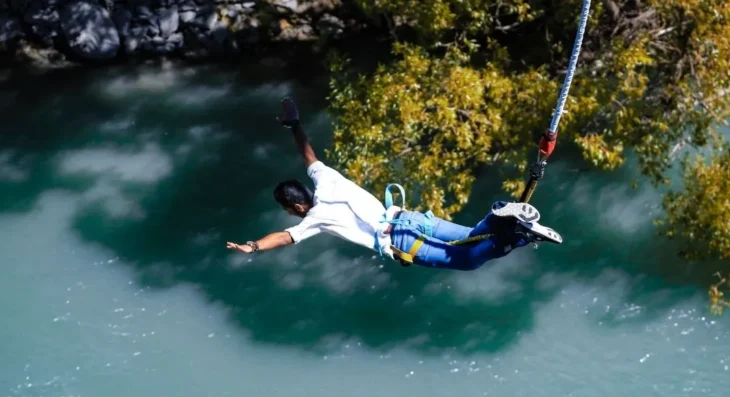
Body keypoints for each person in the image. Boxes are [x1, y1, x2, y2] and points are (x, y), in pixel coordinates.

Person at [225, 97, 562, 271]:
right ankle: (507, 219)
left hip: (401, 240)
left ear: (297, 207)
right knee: (469, 236)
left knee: (468, 259)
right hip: (407, 218)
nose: (290, 216)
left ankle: (513, 227)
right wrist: (294, 122)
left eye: (288, 210)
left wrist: (253, 246)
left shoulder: (315, 220)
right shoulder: (324, 178)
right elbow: (308, 154)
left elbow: (285, 237)